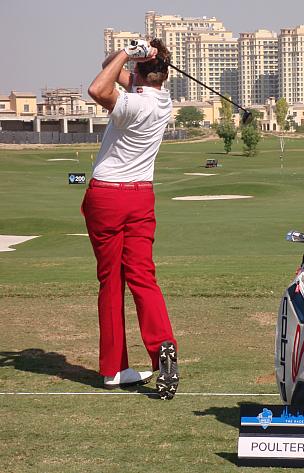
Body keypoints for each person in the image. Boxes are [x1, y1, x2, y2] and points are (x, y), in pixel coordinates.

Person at [82, 38, 179, 400]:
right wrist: (135, 56)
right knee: (142, 276)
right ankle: (162, 344)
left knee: (111, 281)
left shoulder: (131, 104)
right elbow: (112, 70)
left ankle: (113, 369)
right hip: (141, 198)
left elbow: (98, 87)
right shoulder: (162, 101)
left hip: (107, 197)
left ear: (137, 71)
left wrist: (127, 51)